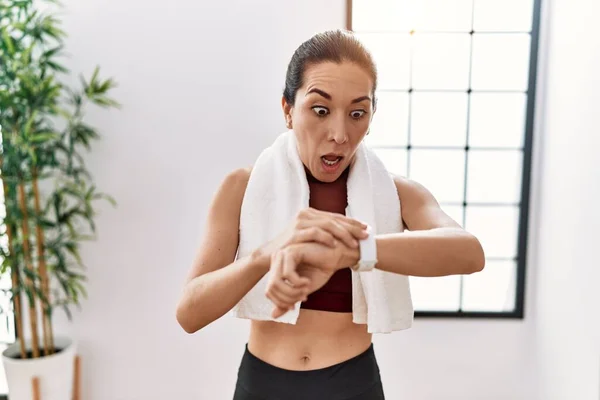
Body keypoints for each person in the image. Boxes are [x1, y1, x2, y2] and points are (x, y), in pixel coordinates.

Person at [176, 29, 485, 400]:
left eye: (357, 113)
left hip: (352, 385)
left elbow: (469, 252)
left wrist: (356, 251)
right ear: (288, 109)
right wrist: (267, 254)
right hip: (262, 385)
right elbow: (189, 313)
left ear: (371, 117)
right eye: (320, 110)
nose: (339, 133)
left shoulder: (397, 192)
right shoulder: (242, 187)